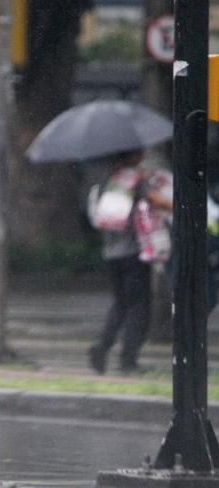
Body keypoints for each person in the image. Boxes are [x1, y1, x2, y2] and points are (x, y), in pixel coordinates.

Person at [86, 149, 172, 375]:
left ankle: (101, 348)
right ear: (132, 155)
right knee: (140, 309)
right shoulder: (134, 179)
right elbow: (157, 200)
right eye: (139, 152)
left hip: (112, 253)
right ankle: (128, 361)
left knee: (121, 304)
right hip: (133, 254)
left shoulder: (109, 179)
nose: (143, 154)